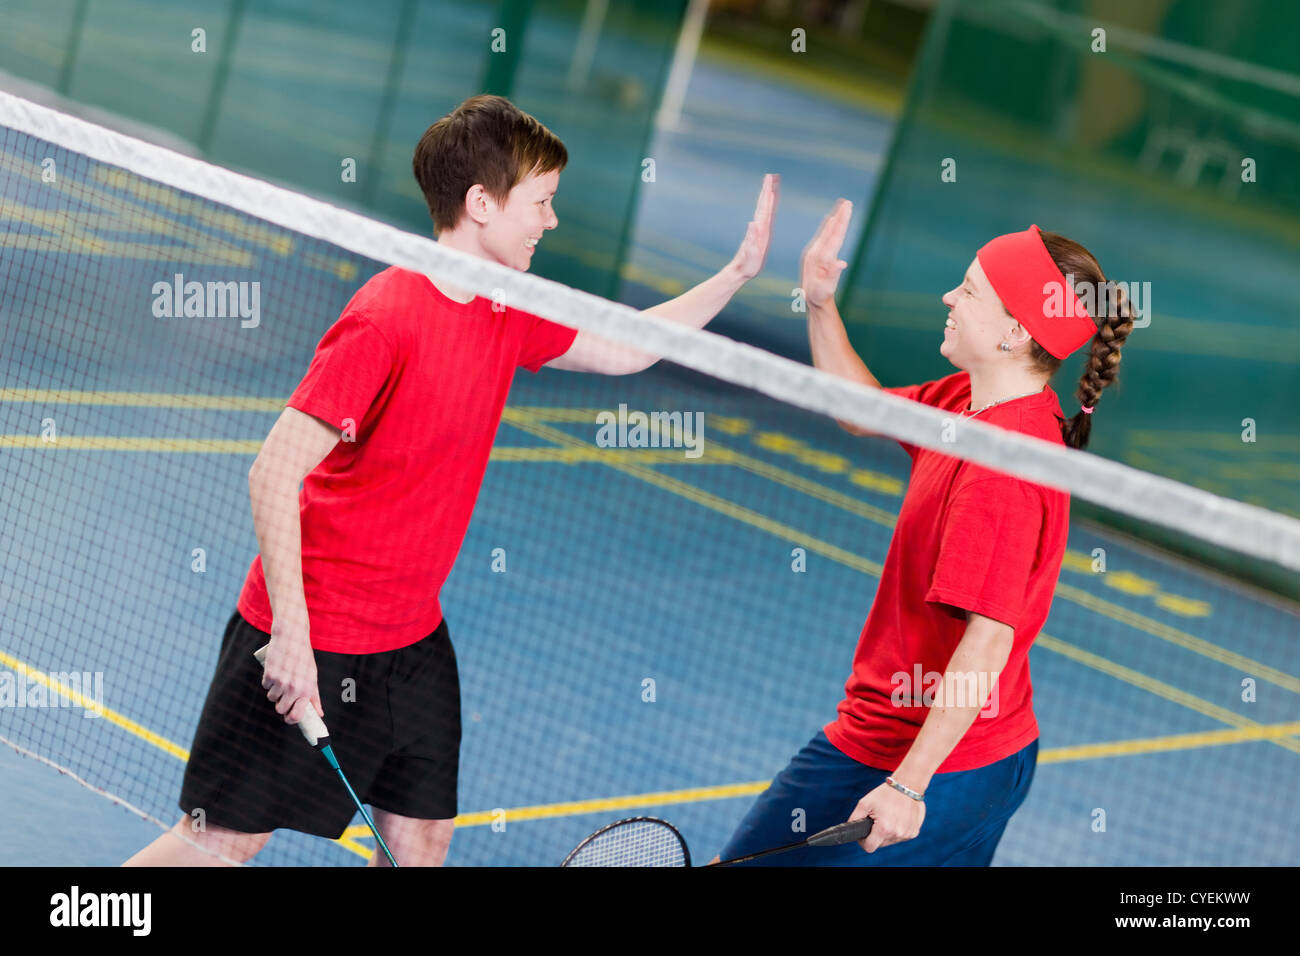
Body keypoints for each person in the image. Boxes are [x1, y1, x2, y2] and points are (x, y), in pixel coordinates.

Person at [125, 94, 779, 866]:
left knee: (422, 838)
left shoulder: (509, 308)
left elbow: (626, 347)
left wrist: (735, 275)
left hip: (412, 639)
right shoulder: (386, 317)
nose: (550, 221)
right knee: (221, 844)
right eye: (540, 202)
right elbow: (272, 473)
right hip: (315, 630)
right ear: (480, 204)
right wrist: (292, 637)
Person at [713, 200, 1133, 865]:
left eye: (968, 291)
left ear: (1014, 334)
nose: (948, 296)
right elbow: (859, 410)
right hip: (975, 755)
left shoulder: (1002, 466)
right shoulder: (973, 401)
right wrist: (820, 303)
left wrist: (908, 784)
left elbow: (987, 642)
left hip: (922, 758)